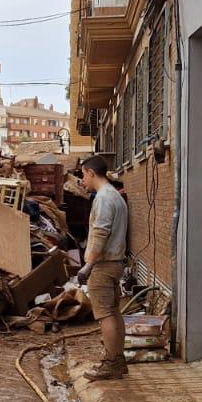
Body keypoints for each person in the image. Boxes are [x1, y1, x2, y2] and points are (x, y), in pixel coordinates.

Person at [76, 154, 130, 381]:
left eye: (82, 175)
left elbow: (100, 233)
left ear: (91, 172)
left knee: (104, 315)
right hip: (115, 262)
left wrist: (88, 266)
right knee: (114, 312)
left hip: (104, 264)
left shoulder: (104, 198)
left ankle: (111, 363)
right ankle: (118, 360)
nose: (82, 181)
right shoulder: (114, 196)